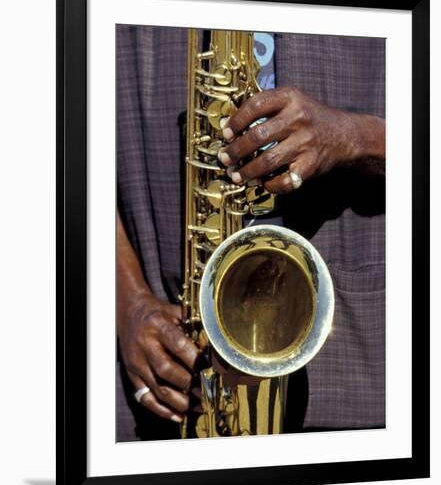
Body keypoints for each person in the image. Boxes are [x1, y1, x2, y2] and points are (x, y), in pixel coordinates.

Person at [116, 25, 385, 441]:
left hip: (359, 374)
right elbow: (53, 145)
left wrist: (357, 137)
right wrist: (126, 299)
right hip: (167, 375)